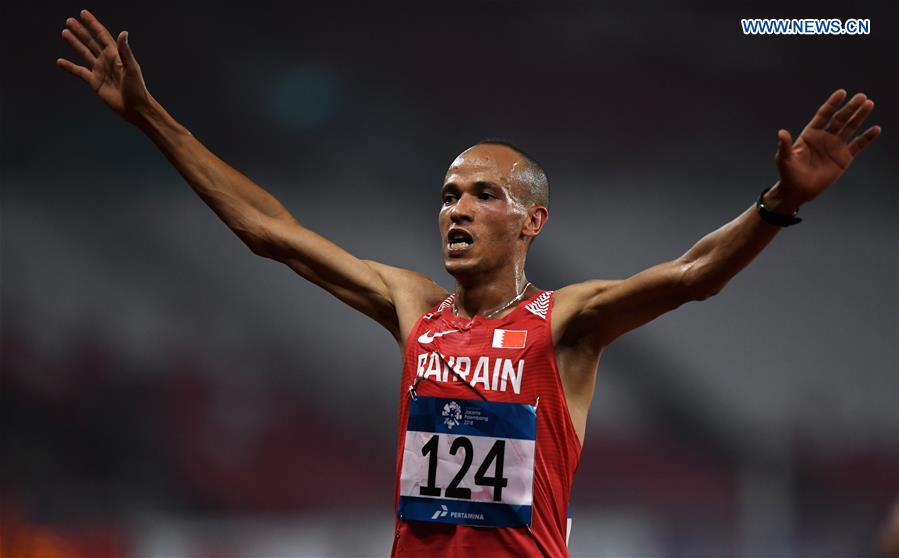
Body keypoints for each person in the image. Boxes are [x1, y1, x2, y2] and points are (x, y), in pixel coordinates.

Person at [57, 9, 882, 557]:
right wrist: (149, 116)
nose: (456, 207)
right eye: (448, 193)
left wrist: (779, 202)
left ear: (531, 222)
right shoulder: (413, 306)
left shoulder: (567, 323)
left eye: (482, 193)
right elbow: (270, 232)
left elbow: (694, 275)